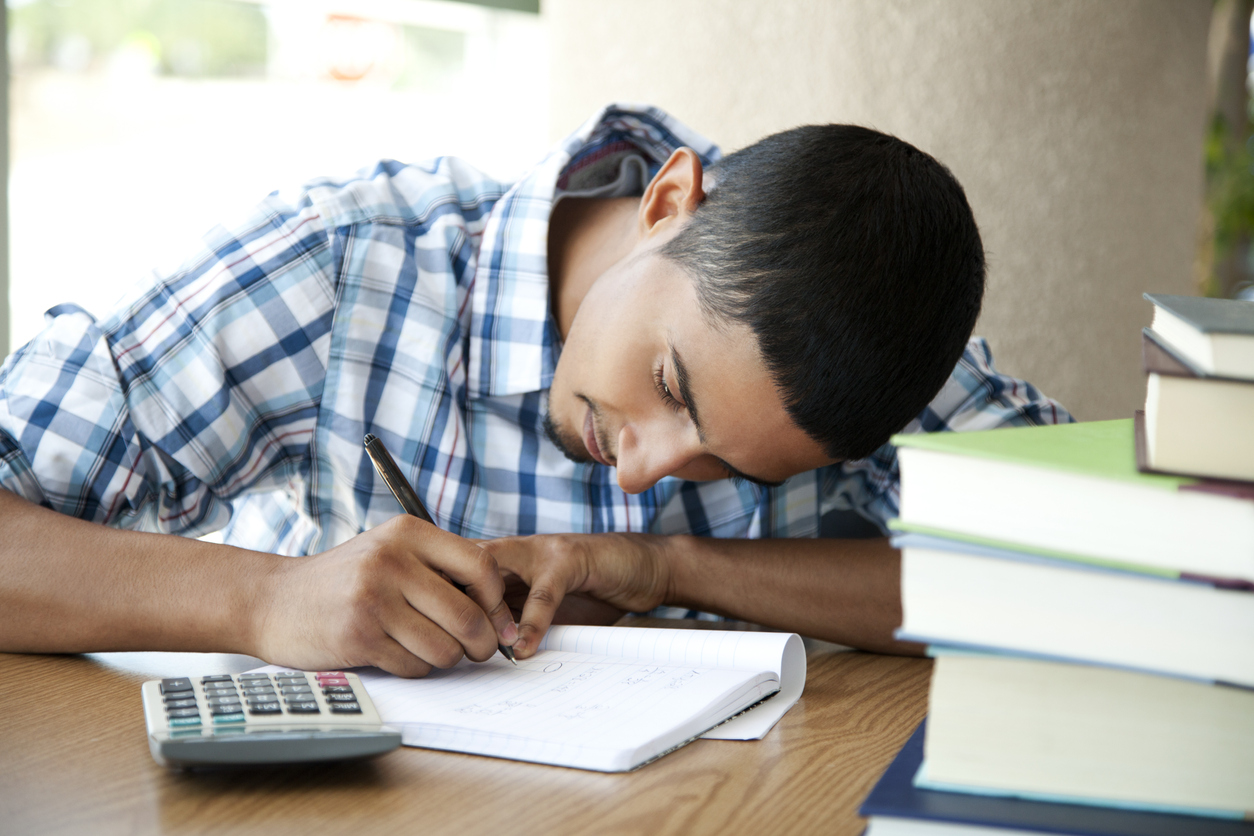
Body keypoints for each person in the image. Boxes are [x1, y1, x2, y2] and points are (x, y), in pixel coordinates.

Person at [0, 104, 1069, 676]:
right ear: (667, 200)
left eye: (721, 466)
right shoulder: (343, 268)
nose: (650, 468)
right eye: (667, 383)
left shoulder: (863, 328)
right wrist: (265, 599)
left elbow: (1097, 581)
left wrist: (672, 564)